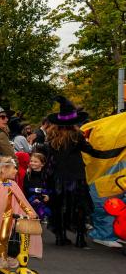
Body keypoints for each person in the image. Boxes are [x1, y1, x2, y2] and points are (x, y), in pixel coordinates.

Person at [44, 96, 106, 248]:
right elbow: (91, 151)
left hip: (57, 176)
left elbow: (48, 157)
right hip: (76, 176)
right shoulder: (77, 135)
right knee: (79, 206)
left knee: (59, 206)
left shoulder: (51, 136)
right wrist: (111, 153)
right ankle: (80, 238)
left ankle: (61, 237)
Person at [0, 157, 41, 268]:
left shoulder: (10, 184)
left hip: (7, 216)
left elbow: (21, 199)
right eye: (14, 168)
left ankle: (7, 257)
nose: (16, 171)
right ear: (4, 169)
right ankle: (3, 258)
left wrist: (29, 212)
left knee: (5, 237)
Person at [23, 153, 51, 221]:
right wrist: (33, 199)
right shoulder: (28, 175)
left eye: (35, 161)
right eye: (31, 161)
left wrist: (48, 196)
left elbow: (49, 188)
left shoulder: (46, 175)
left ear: (42, 164)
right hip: (30, 201)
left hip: (43, 201)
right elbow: (26, 189)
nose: (32, 163)